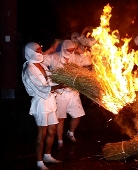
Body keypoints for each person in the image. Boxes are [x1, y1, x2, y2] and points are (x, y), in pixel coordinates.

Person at [22, 42, 65, 170]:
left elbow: (50, 80)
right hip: (40, 103)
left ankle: (47, 155)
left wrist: (62, 80)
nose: (41, 53)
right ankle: (39, 162)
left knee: (52, 131)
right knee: (42, 133)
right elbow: (40, 88)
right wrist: (59, 86)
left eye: (41, 50)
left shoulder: (42, 66)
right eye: (38, 51)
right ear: (30, 53)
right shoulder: (29, 69)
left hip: (50, 101)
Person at [42, 40, 92, 149]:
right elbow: (40, 59)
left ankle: (70, 133)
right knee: (60, 118)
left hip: (73, 92)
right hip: (60, 93)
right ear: (63, 48)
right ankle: (60, 141)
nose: (70, 52)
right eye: (68, 50)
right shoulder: (54, 57)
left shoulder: (76, 57)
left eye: (72, 50)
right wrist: (50, 49)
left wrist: (79, 49)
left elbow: (88, 61)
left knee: (78, 115)